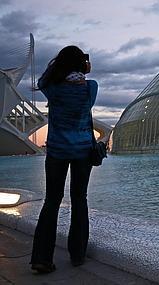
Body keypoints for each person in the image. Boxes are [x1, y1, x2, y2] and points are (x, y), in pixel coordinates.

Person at [30, 46, 98, 274]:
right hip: (82, 152)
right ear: (82, 65)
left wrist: (56, 64)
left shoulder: (53, 88)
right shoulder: (90, 87)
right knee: (79, 199)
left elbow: (42, 81)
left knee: (52, 201)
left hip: (57, 152)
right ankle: (77, 255)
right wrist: (84, 71)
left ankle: (42, 258)